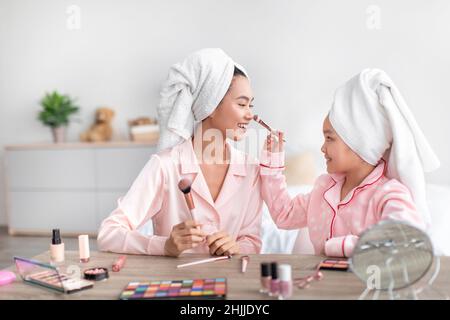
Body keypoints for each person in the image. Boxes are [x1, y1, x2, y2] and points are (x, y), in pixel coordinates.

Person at [97, 48, 263, 257]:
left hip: (232, 284)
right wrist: (164, 245)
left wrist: (238, 247)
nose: (250, 115)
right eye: (242, 104)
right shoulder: (165, 166)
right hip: (177, 285)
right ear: (210, 105)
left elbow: (252, 241)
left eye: (251, 105)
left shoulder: (251, 169)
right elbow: (108, 234)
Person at [260, 68, 440, 257]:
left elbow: (406, 241)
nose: (322, 148)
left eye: (329, 139)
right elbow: (284, 215)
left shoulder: (388, 194)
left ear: (358, 143)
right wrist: (272, 164)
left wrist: (338, 246)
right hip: (322, 284)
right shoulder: (324, 189)